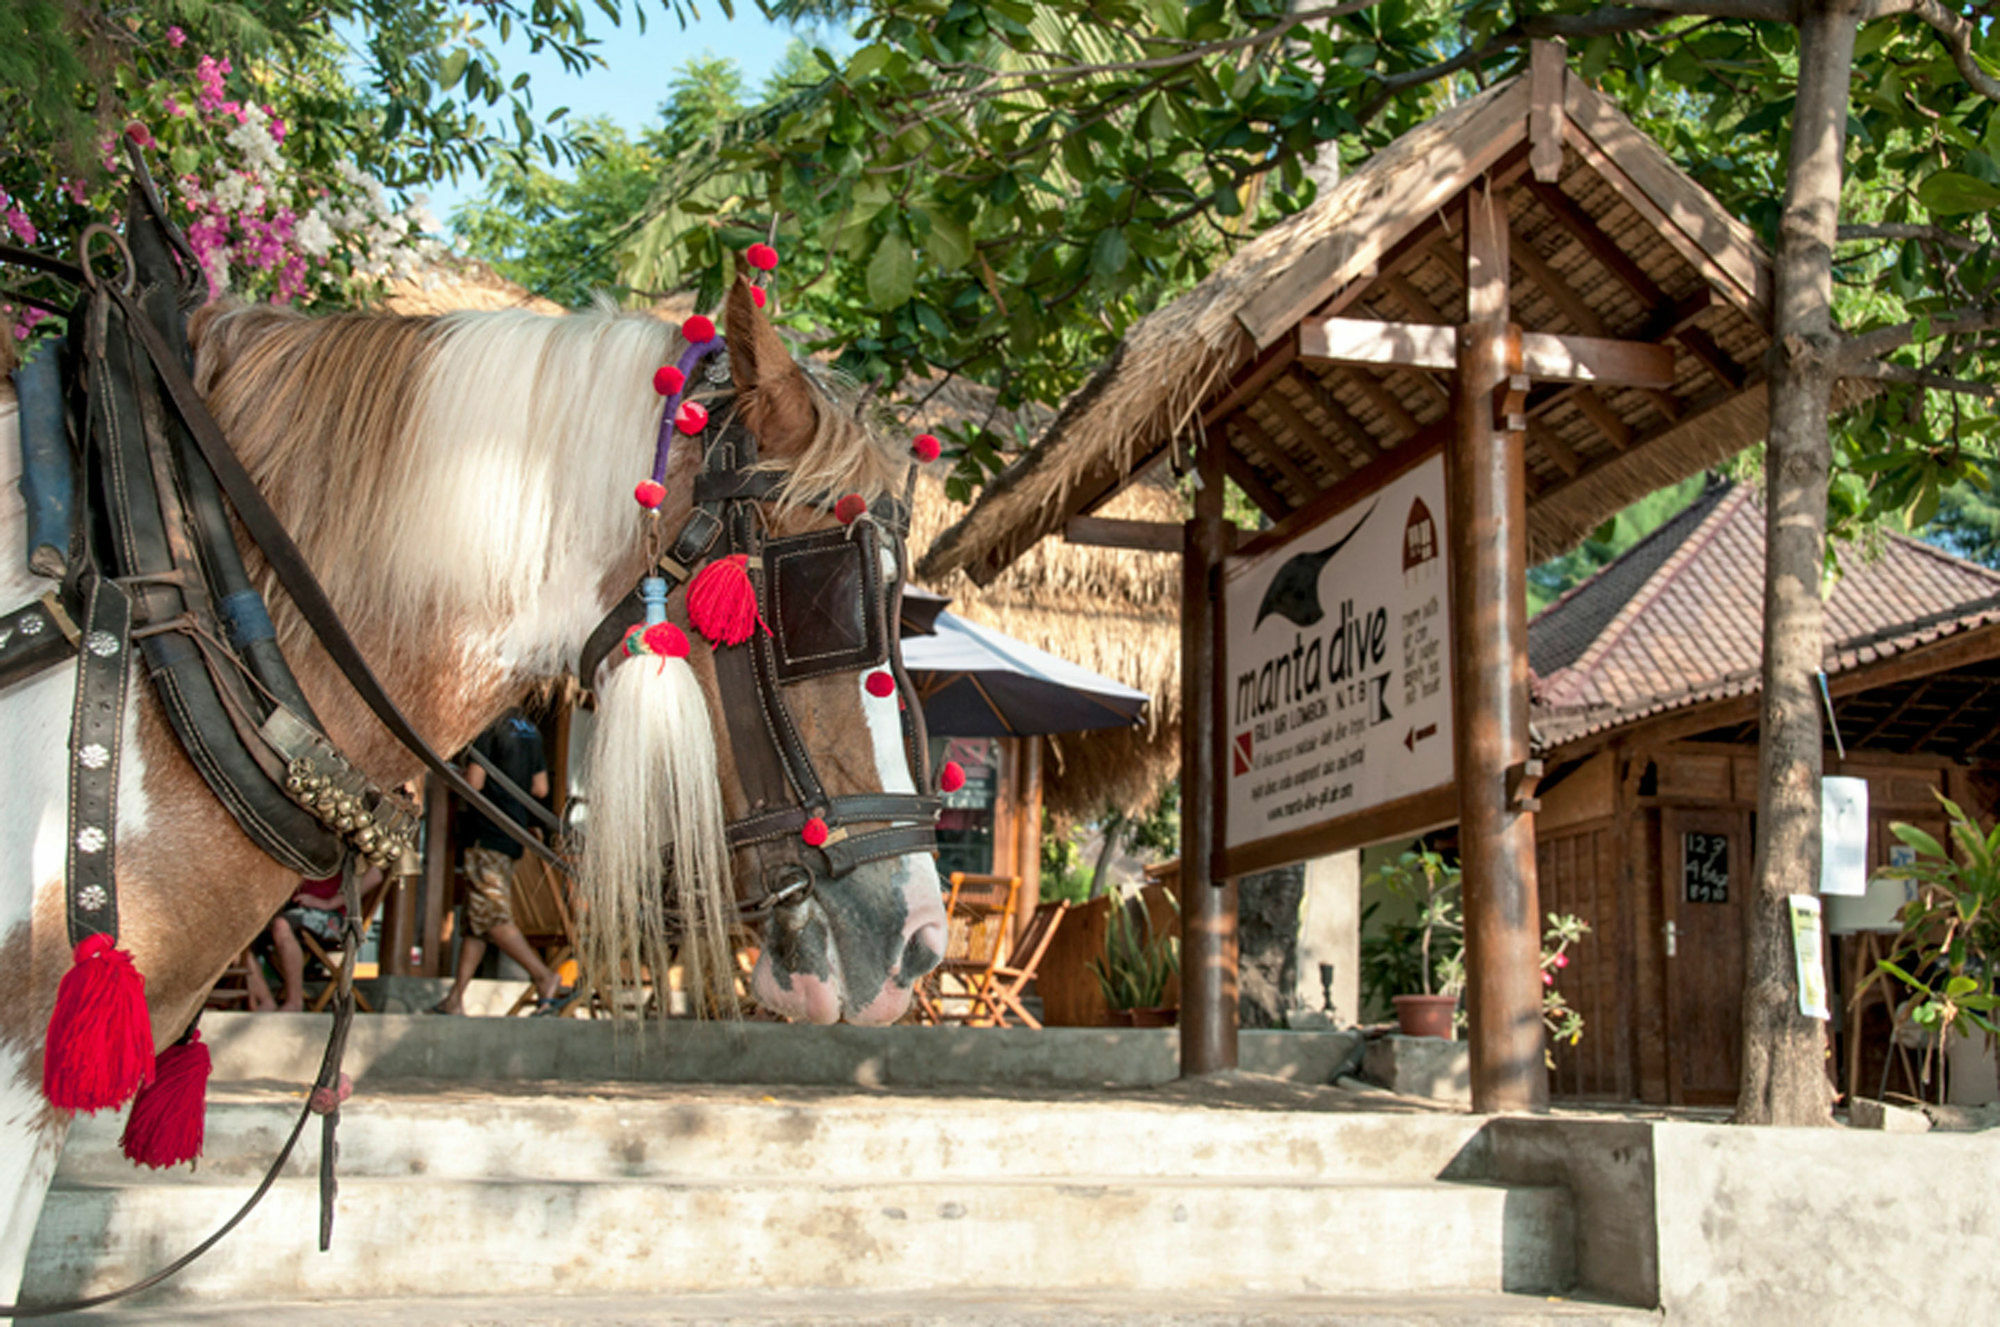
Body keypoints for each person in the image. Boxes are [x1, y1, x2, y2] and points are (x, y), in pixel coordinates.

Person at [431, 709, 568, 1015]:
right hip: (512, 835)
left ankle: (544, 976)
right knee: (475, 924)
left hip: (487, 832)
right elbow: (540, 789)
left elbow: (475, 783)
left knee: (492, 918)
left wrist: (454, 775)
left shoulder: (487, 726)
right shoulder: (531, 730)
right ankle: (455, 999)